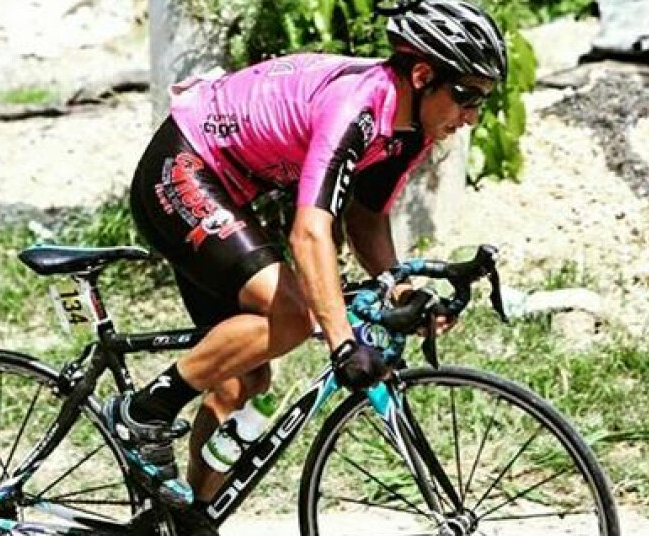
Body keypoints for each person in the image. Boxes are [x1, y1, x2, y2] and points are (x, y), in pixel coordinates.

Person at [102, 0, 507, 533]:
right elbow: (310, 231)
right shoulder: (358, 107)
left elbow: (366, 220)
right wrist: (343, 343)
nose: (472, 115)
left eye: (482, 100)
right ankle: (144, 412)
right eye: (466, 95)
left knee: (239, 383)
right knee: (294, 315)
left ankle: (186, 523)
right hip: (184, 169)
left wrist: (399, 289)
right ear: (422, 75)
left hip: (229, 193)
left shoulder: (409, 132)